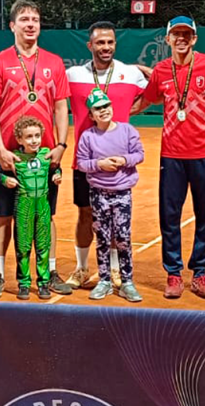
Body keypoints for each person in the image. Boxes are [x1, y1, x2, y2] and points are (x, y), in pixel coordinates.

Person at [0, 0, 72, 298]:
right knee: (3, 216)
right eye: (24, 19)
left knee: (47, 216)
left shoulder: (54, 62)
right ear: (12, 26)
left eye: (35, 19)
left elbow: (61, 107)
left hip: (45, 157)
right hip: (9, 155)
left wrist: (61, 145)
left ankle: (51, 271)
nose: (30, 24)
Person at [137, 16, 205, 300]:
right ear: (168, 39)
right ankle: (173, 272)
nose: (181, 38)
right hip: (172, 154)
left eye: (187, 34)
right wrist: (117, 111)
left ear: (194, 38)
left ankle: (199, 272)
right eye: (176, 34)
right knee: (169, 216)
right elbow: (147, 99)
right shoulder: (162, 70)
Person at [65, 21, 148, 290]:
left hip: (118, 164)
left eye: (110, 42)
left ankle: (113, 269)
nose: (106, 47)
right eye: (100, 42)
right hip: (86, 161)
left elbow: (157, 90)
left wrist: (131, 108)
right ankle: (82, 268)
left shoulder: (129, 73)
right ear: (90, 45)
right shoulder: (73, 74)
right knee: (85, 214)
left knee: (114, 218)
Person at [76, 89, 145, 302]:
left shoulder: (127, 130)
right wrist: (100, 164)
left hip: (122, 193)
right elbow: (81, 163)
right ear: (91, 115)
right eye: (98, 108)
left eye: (106, 106)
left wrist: (124, 160)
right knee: (103, 238)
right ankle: (104, 280)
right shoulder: (88, 136)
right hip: (99, 194)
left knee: (123, 237)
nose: (103, 110)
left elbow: (139, 154)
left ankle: (127, 282)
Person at [0, 116, 62, 300]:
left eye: (37, 136)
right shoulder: (15, 158)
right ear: (19, 139)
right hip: (24, 205)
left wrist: (57, 175)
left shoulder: (46, 155)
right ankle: (24, 283)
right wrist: (5, 180)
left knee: (43, 245)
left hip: (43, 205)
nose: (34, 140)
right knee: (23, 247)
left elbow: (56, 169)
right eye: (29, 136)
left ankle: (43, 283)